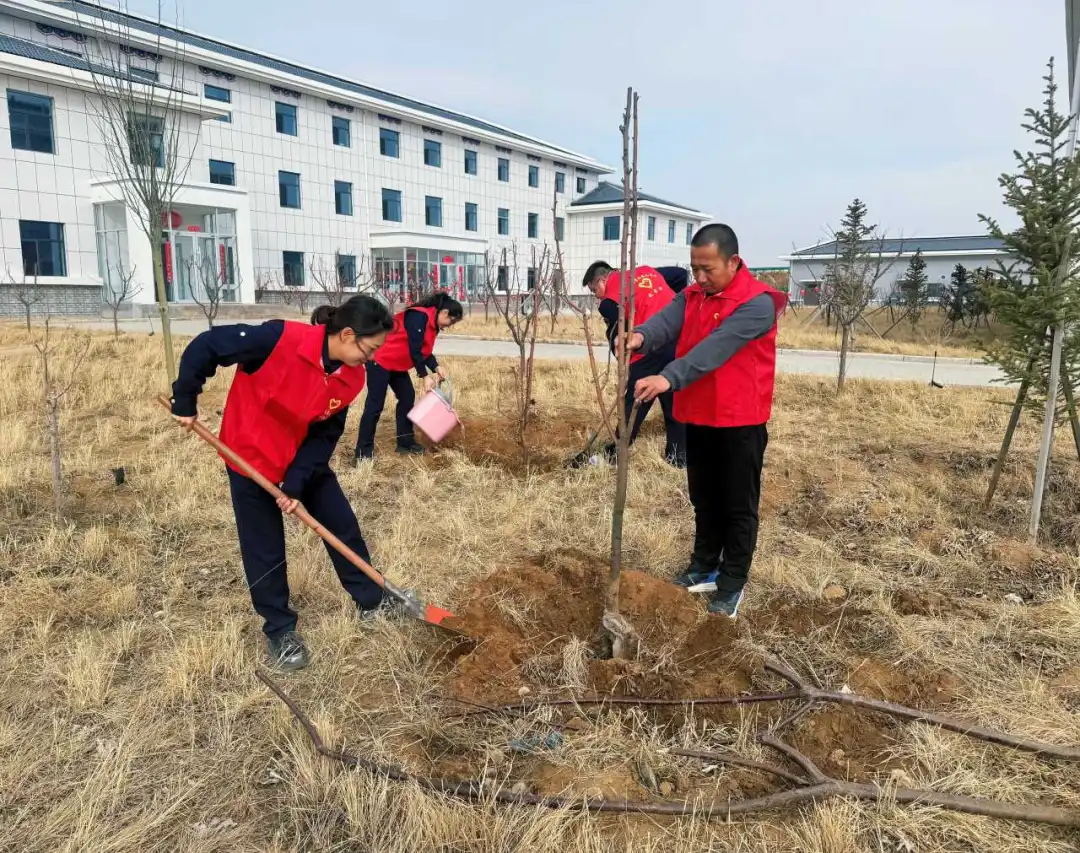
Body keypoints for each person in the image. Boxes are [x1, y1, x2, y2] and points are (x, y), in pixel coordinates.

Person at [169, 295, 397, 671]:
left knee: (341, 525)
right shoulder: (278, 340)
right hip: (250, 457)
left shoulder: (353, 377)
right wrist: (186, 395)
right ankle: (279, 629)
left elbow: (324, 434)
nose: (371, 359)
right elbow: (207, 346)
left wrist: (295, 483)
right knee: (264, 547)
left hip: (301, 460)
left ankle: (372, 600)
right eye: (369, 349)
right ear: (347, 334)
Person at [629, 224, 788, 618]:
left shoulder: (757, 303)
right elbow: (666, 321)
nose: (699, 277)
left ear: (733, 262)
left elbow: (715, 348)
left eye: (708, 269)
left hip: (739, 420)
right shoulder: (695, 294)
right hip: (698, 414)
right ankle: (703, 566)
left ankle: (732, 582)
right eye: (694, 268)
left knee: (737, 504)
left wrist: (668, 376)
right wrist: (640, 337)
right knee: (704, 498)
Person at [580, 261, 686, 467]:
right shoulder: (646, 270)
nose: (597, 297)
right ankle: (678, 457)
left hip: (650, 343)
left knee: (635, 398)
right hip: (678, 335)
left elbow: (621, 332)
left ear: (603, 280)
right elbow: (680, 275)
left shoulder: (609, 301)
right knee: (673, 395)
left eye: (595, 290)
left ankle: (615, 454)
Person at [355, 291, 464, 460]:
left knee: (407, 397)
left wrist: (436, 367)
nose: (449, 325)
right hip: (380, 359)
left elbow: (424, 351)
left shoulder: (433, 325)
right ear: (444, 313)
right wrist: (424, 376)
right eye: (451, 320)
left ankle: (405, 443)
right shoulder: (418, 316)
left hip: (396, 364)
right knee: (375, 404)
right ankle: (363, 452)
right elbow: (415, 349)